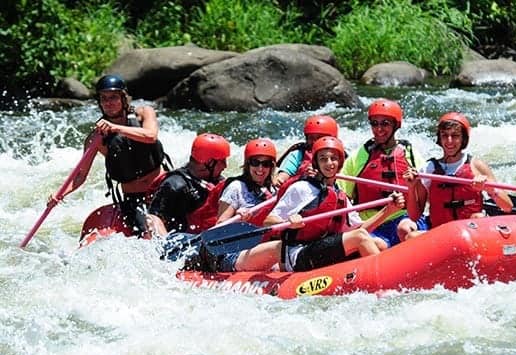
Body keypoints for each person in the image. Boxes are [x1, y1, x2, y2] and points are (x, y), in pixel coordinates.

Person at [176, 136, 405, 273]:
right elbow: (269, 220)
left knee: (376, 242)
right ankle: (384, 278)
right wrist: (289, 222)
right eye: (323, 158)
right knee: (361, 240)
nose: (329, 163)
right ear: (315, 161)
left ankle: (373, 275)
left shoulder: (340, 195)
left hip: (317, 247)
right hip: (297, 253)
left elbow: (358, 229)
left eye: (334, 158)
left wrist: (388, 211)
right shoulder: (302, 188)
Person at [48, 74, 170, 237]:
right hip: (135, 198)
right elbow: (80, 175)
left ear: (124, 98)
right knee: (151, 235)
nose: (108, 103)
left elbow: (150, 135)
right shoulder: (96, 138)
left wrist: (115, 128)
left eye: (113, 97)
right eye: (104, 99)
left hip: (162, 188)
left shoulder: (143, 113)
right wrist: (60, 194)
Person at [402, 112, 513, 238]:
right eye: (445, 136)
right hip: (442, 234)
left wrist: (490, 189)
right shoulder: (428, 169)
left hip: (472, 233)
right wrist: (411, 188)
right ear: (440, 138)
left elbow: (507, 206)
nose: (449, 141)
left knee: (478, 217)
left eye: (455, 136)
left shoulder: (476, 166)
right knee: (411, 237)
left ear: (463, 139)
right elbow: (414, 216)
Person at [338, 98, 427, 247]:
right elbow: (342, 196)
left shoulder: (410, 154)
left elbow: (426, 191)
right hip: (373, 222)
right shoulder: (360, 156)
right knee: (377, 245)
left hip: (403, 217)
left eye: (385, 123)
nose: (379, 129)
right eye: (375, 123)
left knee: (405, 229)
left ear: (396, 125)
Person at [147, 133, 230, 236]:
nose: (225, 166)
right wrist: (169, 246)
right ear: (209, 162)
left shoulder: (215, 180)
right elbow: (154, 218)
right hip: (183, 240)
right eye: (222, 161)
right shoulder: (174, 185)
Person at [215, 138, 278, 225]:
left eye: (266, 164)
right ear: (248, 164)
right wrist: (237, 219)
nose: (260, 168)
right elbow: (220, 225)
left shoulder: (273, 190)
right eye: (255, 162)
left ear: (272, 166)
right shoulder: (236, 188)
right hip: (242, 235)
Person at [274, 115, 339, 186]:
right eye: (311, 137)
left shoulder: (340, 157)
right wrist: (302, 177)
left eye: (319, 137)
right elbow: (281, 178)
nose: (314, 142)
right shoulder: (298, 154)